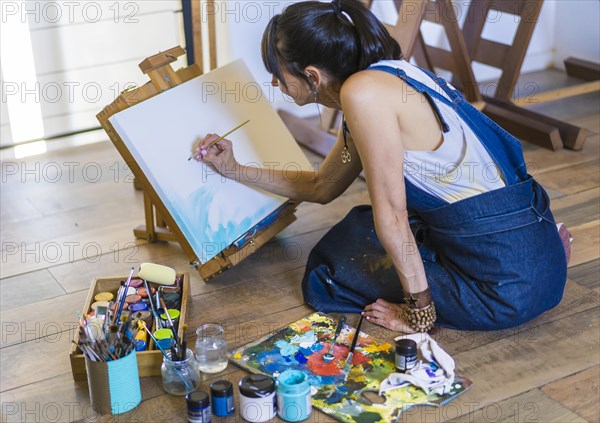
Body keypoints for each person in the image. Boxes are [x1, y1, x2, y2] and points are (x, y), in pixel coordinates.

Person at [194, 0, 569, 332]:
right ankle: (528, 264)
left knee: (331, 269)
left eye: (278, 73)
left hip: (502, 292)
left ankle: (469, 290)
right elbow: (322, 187)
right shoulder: (388, 73)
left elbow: (393, 217)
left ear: (312, 75)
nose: (275, 84)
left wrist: (417, 313)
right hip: (535, 257)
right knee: (359, 225)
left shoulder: (362, 94)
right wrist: (234, 169)